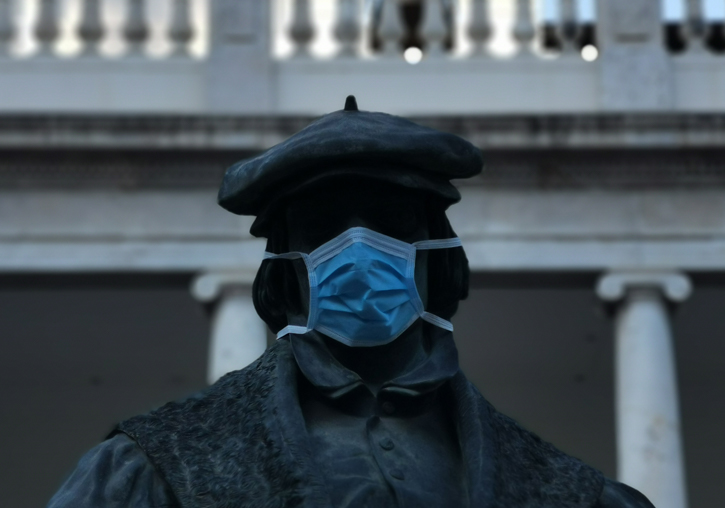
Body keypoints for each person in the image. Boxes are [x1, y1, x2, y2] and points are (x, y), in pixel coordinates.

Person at [48, 97, 654, 508]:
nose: (359, 249)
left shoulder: (569, 492)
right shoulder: (153, 467)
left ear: (439, 254)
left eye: (391, 223)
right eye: (323, 229)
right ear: (282, 268)